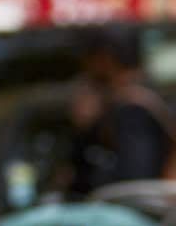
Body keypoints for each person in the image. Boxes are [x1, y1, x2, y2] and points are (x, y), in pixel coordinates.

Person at [67, 21, 176, 195]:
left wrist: (84, 131)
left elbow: (133, 184)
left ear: (104, 58)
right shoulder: (154, 94)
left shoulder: (133, 109)